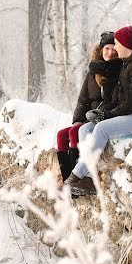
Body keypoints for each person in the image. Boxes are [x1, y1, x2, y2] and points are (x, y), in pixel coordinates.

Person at [64, 25, 132, 196]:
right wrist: (101, 113)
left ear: (125, 45)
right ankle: (90, 179)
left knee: (102, 128)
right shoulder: (128, 64)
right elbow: (118, 99)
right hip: (130, 116)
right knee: (86, 128)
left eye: (116, 43)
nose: (115, 48)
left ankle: (76, 174)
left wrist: (106, 116)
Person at [55, 31, 122, 181]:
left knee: (74, 133)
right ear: (101, 50)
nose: (110, 53)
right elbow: (83, 100)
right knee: (61, 135)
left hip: (100, 117)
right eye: (107, 49)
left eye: (113, 49)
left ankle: (80, 178)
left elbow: (112, 100)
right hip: (87, 118)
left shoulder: (117, 71)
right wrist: (78, 120)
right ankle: (68, 180)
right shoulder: (93, 72)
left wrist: (96, 115)